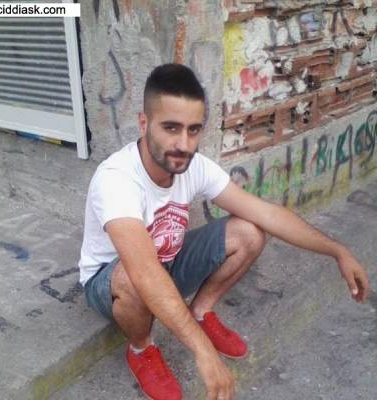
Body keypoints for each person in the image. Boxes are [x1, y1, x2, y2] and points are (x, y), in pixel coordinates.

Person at [79, 64, 370, 400]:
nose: (183, 144)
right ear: (144, 124)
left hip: (165, 261)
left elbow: (267, 214)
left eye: (193, 130)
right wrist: (204, 353)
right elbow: (143, 272)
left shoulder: (194, 166)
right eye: (171, 128)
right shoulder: (116, 178)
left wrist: (338, 251)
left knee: (250, 230)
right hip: (110, 280)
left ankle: (201, 312)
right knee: (133, 279)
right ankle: (142, 348)